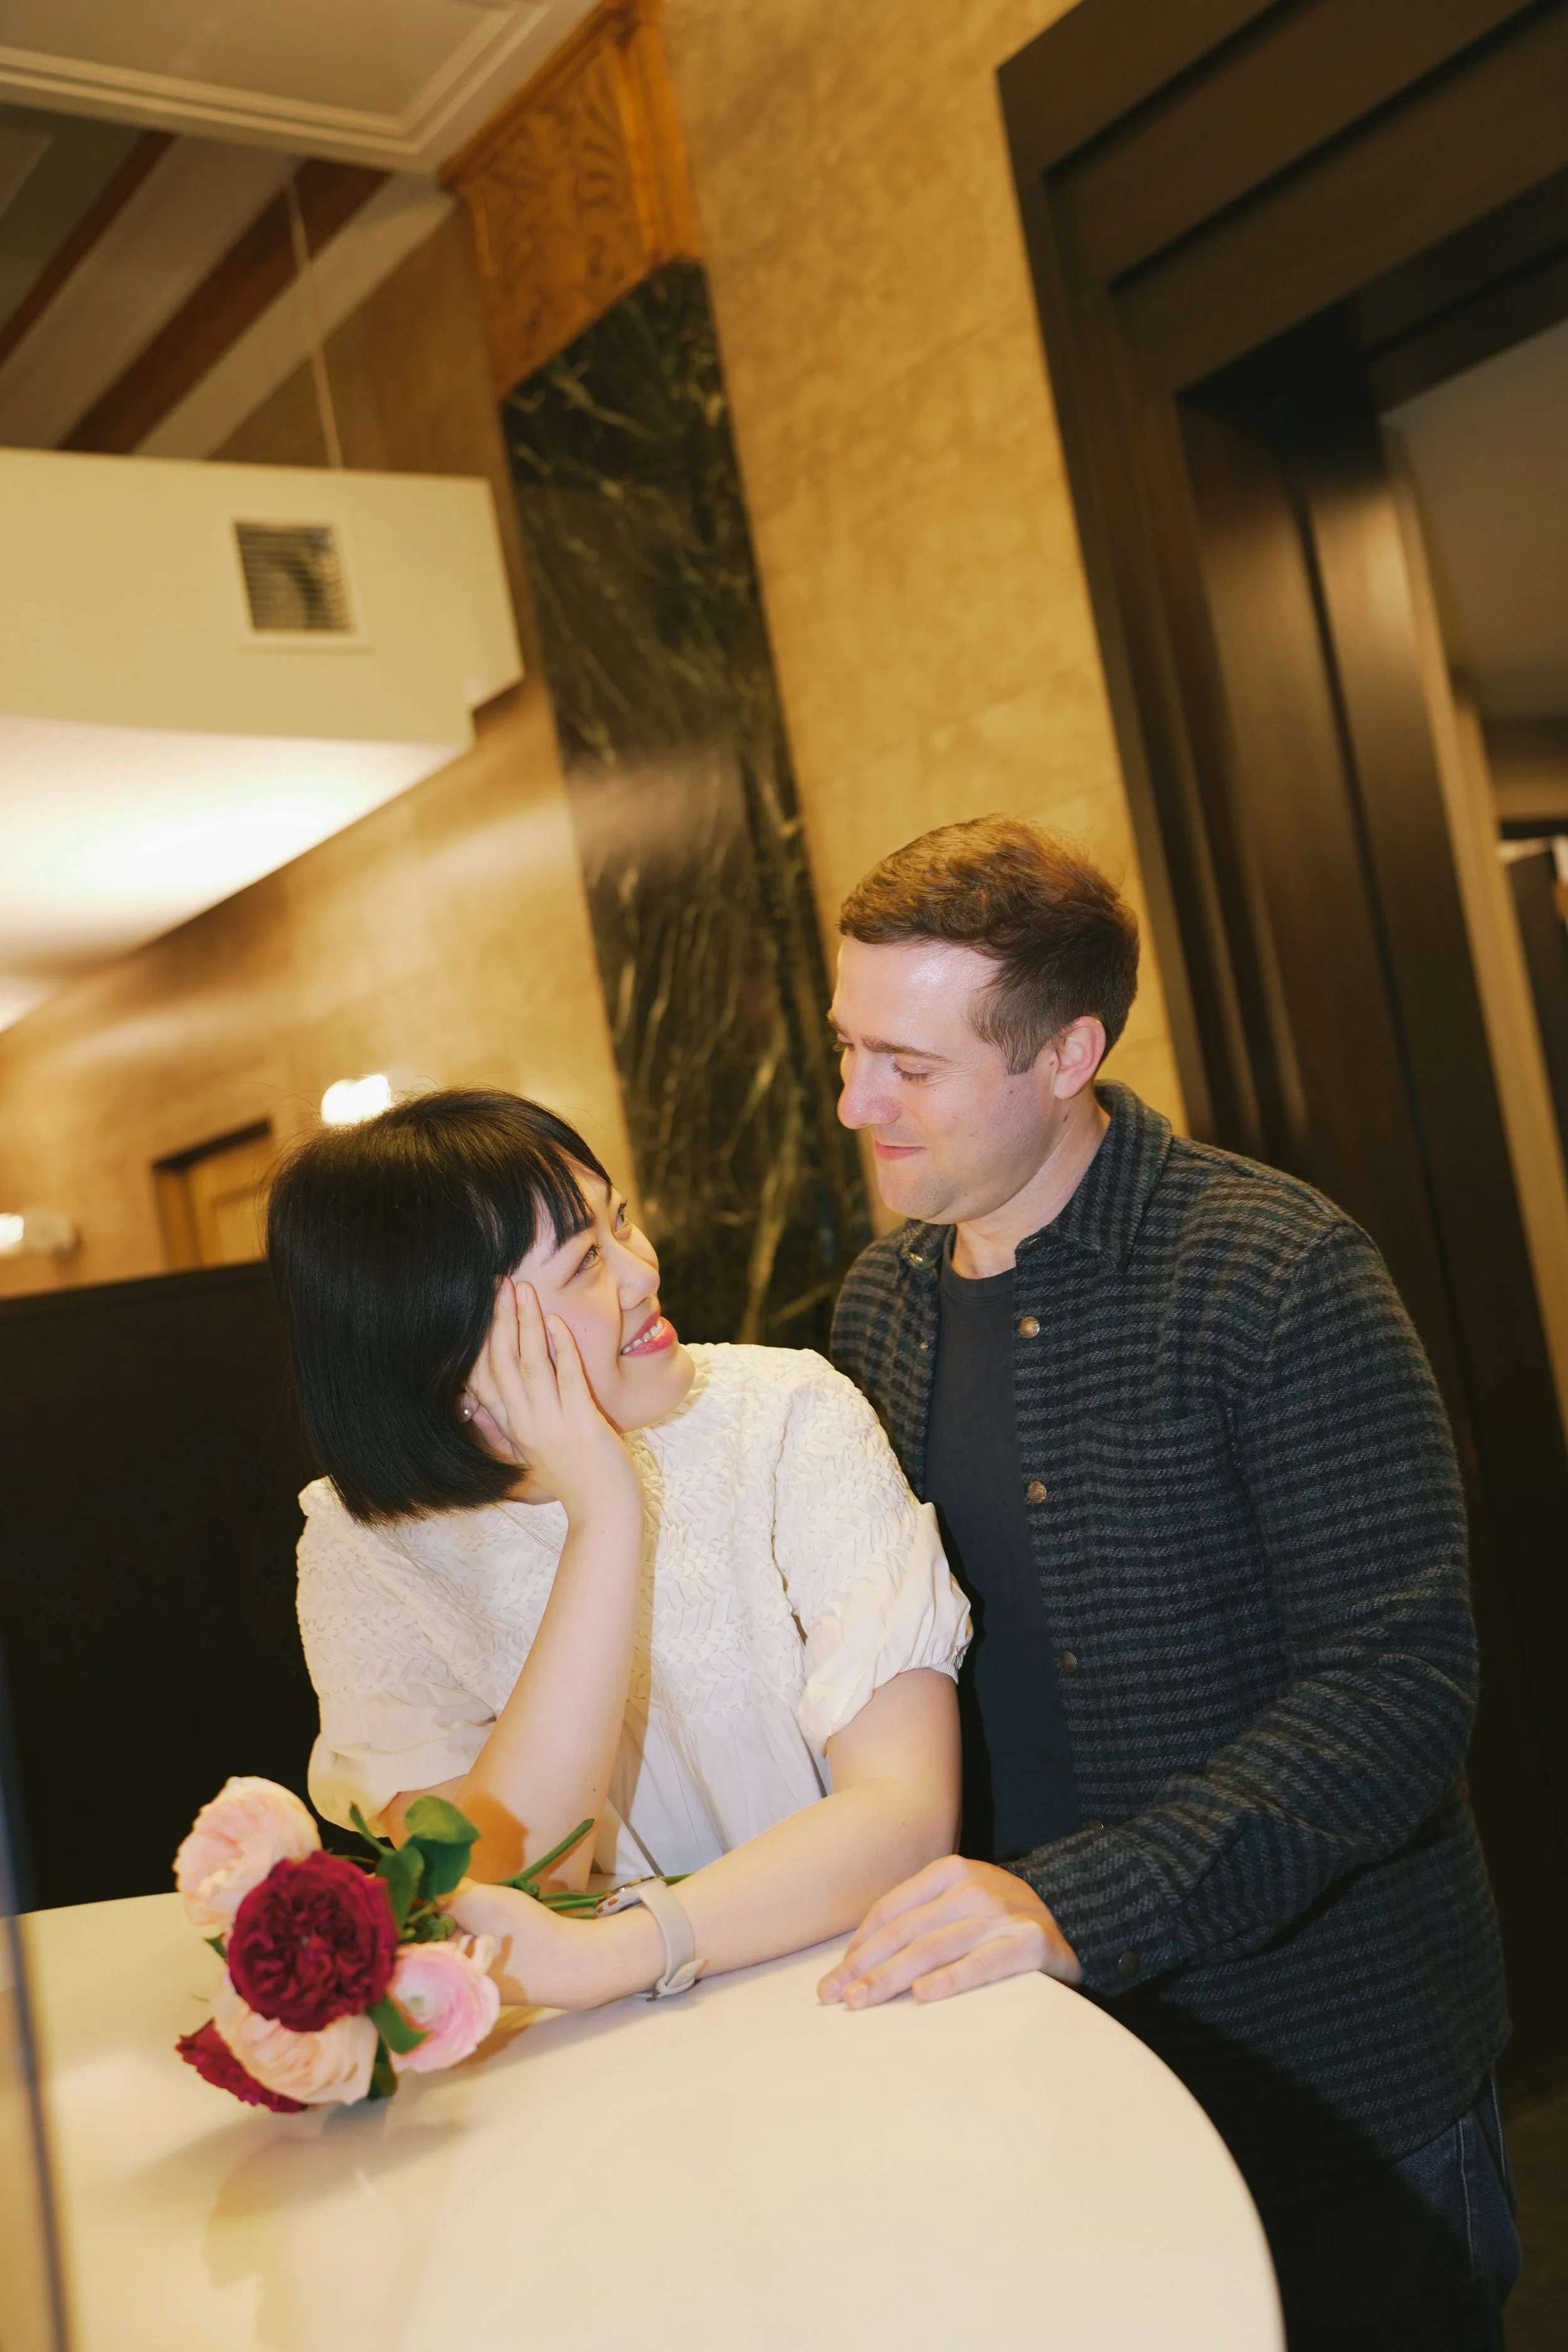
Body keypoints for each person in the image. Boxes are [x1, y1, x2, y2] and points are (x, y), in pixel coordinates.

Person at [817, 815, 1519, 2351]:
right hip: (1038, 2071)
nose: (856, 1102)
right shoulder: (876, 1311)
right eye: (848, 1047)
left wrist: (1071, 1903)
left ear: (1066, 1053)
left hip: (1326, 2075)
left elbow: (1396, 1691)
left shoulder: (1272, 1271)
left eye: (908, 1067)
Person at [267, 1091, 968, 2012]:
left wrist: (618, 1951)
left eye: (621, 1219)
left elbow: (907, 1817)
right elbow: (503, 1890)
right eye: (588, 1259)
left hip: (853, 1990)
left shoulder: (786, 1413)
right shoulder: (366, 1549)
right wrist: (603, 1515)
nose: (645, 1269)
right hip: (582, 2058)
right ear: (454, 1341)